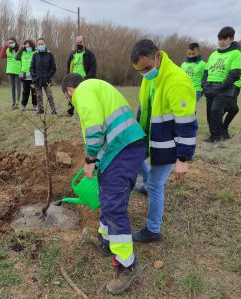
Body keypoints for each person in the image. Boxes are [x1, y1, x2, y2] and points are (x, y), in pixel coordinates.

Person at [62, 73, 146, 295]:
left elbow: (93, 123)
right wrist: (97, 161)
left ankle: (129, 265)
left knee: (114, 207)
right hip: (121, 148)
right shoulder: (98, 87)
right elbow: (105, 128)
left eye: (68, 98)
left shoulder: (83, 90)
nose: (72, 102)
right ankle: (106, 241)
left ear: (69, 90)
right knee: (108, 197)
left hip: (122, 149)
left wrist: (90, 159)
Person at [131, 39, 198, 242]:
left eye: (147, 68)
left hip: (168, 144)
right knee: (138, 157)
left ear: (158, 55)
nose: (144, 73)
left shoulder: (177, 80)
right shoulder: (150, 77)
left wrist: (183, 158)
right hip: (151, 136)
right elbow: (144, 107)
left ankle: (153, 230)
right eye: (140, 70)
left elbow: (187, 123)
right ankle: (145, 184)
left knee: (156, 185)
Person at [202, 26, 241, 142]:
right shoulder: (214, 54)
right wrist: (204, 85)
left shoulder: (236, 54)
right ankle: (213, 136)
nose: (221, 42)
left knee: (216, 111)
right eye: (219, 39)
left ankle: (218, 137)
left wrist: (220, 86)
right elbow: (206, 71)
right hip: (209, 88)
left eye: (224, 39)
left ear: (231, 39)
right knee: (210, 113)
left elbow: (235, 75)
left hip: (224, 89)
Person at [222, 38, 241, 138]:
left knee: (225, 108)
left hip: (237, 88)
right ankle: (221, 129)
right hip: (232, 86)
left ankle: (219, 129)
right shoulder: (237, 57)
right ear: (240, 48)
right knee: (233, 109)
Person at [66, 35, 97, 116]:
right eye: (77, 42)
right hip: (73, 79)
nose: (79, 44)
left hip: (84, 79)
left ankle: (86, 112)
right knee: (71, 95)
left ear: (84, 42)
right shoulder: (73, 54)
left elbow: (93, 68)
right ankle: (70, 111)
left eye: (80, 42)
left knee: (84, 96)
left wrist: (86, 78)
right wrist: (68, 77)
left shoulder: (89, 54)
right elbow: (68, 65)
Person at [30, 38, 57, 115]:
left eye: (42, 44)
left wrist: (48, 76)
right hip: (37, 79)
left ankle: (53, 110)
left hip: (47, 79)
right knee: (38, 96)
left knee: (50, 96)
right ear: (37, 45)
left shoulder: (50, 54)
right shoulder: (35, 55)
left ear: (45, 44)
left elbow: (53, 67)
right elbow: (31, 67)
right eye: (39, 44)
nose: (40, 45)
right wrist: (34, 76)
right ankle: (40, 110)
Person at [0, 37, 21, 110]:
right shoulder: (8, 50)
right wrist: (5, 45)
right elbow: (2, 56)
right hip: (10, 71)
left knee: (18, 87)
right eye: (9, 42)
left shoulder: (19, 50)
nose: (11, 43)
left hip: (18, 71)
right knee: (13, 88)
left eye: (12, 42)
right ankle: (13, 103)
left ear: (15, 42)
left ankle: (17, 104)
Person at [15, 39, 37, 112]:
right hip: (25, 77)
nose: (28, 47)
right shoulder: (23, 53)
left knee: (34, 92)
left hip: (34, 76)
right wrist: (21, 47)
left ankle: (34, 106)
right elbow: (16, 57)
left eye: (29, 46)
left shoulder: (35, 53)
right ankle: (23, 106)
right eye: (26, 46)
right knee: (25, 92)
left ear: (32, 46)